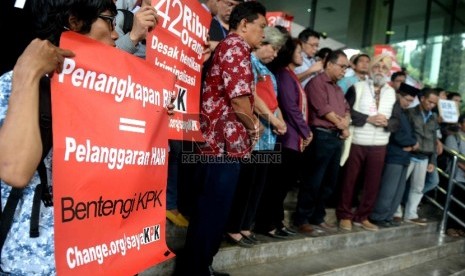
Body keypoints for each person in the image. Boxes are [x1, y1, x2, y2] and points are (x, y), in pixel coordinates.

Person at [0, 0, 118, 274]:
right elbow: (15, 171)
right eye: (109, 20)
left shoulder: (109, 91)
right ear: (75, 21)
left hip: (97, 254)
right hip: (35, 263)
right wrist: (28, 76)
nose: (116, 34)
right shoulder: (17, 83)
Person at [175, 2, 266, 275]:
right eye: (261, 26)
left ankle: (200, 267)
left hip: (220, 145)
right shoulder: (236, 47)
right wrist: (253, 127)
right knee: (211, 213)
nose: (263, 33)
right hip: (221, 146)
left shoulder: (231, 47)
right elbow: (239, 99)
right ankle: (195, 270)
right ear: (244, 24)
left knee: (211, 212)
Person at [225, 26, 287, 247]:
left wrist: (280, 120)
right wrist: (275, 119)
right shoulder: (249, 62)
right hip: (253, 136)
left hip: (269, 139)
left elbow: (274, 100)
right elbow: (253, 98)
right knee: (246, 185)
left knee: (258, 187)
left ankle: (245, 225)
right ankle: (234, 227)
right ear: (262, 42)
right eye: (274, 48)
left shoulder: (268, 71)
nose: (275, 54)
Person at [254, 36, 312, 239]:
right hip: (286, 138)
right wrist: (307, 131)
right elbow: (290, 107)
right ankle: (267, 223)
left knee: (282, 187)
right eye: (298, 51)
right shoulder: (285, 75)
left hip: (293, 138)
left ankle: (276, 222)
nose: (302, 55)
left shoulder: (291, 75)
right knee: (276, 187)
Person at [337, 54, 397, 232]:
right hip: (357, 141)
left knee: (372, 183)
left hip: (380, 144)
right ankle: (344, 215)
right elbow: (346, 111)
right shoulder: (358, 87)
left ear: (388, 72)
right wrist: (369, 118)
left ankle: (363, 216)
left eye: (384, 68)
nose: (380, 71)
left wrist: (387, 122)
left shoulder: (392, 92)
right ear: (371, 70)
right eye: (377, 67)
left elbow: (397, 120)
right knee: (350, 180)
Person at [370, 83, 419, 227]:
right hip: (394, 155)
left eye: (411, 101)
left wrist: (412, 143)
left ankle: (388, 216)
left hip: (404, 156)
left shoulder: (403, 112)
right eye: (407, 100)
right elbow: (396, 134)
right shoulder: (392, 109)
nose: (408, 103)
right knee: (388, 188)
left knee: (398, 190)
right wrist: (412, 143)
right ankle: (378, 216)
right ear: (399, 95)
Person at [401, 89, 439, 225]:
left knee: (418, 188)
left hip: (425, 157)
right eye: (430, 102)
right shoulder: (410, 113)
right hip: (409, 154)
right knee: (400, 185)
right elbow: (406, 132)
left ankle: (411, 214)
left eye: (434, 103)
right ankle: (395, 212)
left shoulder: (434, 117)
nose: (432, 105)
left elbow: (434, 140)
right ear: (422, 98)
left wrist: (433, 160)